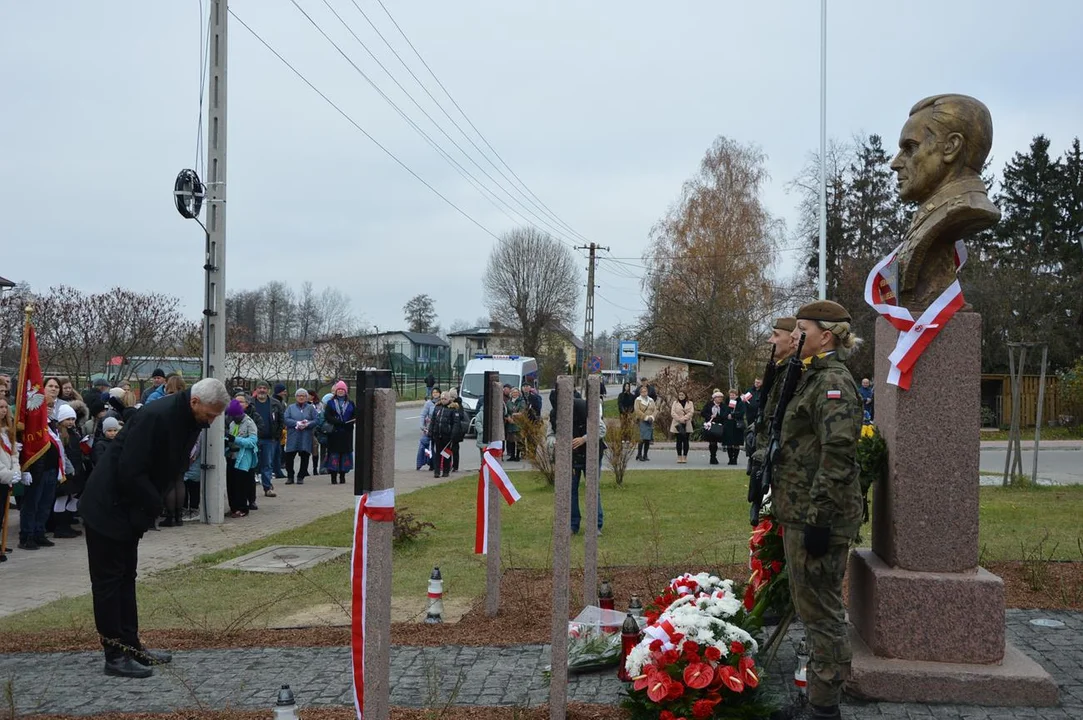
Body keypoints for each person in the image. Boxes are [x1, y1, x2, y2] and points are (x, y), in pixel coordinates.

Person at [79, 377, 229, 678]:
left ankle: (131, 646)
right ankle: (114, 654)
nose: (212, 422)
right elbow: (129, 471)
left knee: (126, 578)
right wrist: (155, 505)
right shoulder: (157, 416)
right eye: (210, 415)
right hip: (108, 507)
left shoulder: (188, 418)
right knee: (109, 583)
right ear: (195, 402)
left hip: (130, 510)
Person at [770, 300, 862, 720]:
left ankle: (825, 709)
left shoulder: (834, 383)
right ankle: (819, 700)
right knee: (810, 605)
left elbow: (838, 453)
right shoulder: (811, 376)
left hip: (818, 515)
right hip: (801, 510)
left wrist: (820, 518)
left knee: (822, 611)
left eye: (802, 328)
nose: (795, 335)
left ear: (826, 335)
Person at [751, 317, 798, 470]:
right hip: (765, 456)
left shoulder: (793, 373)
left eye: (776, 335)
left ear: (792, 340)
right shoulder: (779, 370)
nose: (770, 340)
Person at [52, 402, 84, 539]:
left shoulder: (74, 432)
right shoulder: (60, 434)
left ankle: (67, 523)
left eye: (72, 419)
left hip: (76, 468)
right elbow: (62, 453)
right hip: (65, 470)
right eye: (68, 419)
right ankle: (60, 527)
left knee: (74, 496)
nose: (71, 422)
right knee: (62, 497)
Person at [224, 398, 259, 517]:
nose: (234, 418)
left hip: (243, 457)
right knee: (231, 484)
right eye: (232, 416)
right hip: (231, 456)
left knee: (241, 484)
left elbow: (253, 441)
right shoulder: (232, 423)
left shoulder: (249, 423)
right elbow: (230, 438)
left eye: (236, 415)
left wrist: (236, 439)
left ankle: (242, 508)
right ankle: (233, 507)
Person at [250, 381, 282, 498]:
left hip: (269, 439)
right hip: (253, 439)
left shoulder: (275, 404)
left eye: (264, 388)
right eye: (260, 388)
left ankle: (267, 487)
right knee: (252, 463)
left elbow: (280, 421)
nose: (262, 390)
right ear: (256, 389)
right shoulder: (250, 403)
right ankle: (250, 488)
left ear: (268, 390)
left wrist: (276, 436)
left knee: (267, 464)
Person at [323, 380, 355, 485]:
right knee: (334, 454)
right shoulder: (331, 403)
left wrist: (349, 423)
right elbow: (327, 416)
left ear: (345, 391)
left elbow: (355, 415)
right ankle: (333, 476)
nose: (340, 391)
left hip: (346, 433)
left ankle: (342, 476)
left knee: (344, 454)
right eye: (339, 390)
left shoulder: (350, 403)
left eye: (342, 390)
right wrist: (338, 422)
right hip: (335, 433)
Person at [283, 388, 317, 484]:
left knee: (305, 456)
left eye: (303, 396)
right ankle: (290, 476)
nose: (301, 397)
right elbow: (286, 419)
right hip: (293, 435)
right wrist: (296, 423)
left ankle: (301, 476)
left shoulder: (311, 408)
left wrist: (307, 424)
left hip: (306, 436)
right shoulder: (290, 407)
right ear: (296, 397)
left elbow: (316, 420)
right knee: (289, 457)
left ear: (307, 397)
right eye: (299, 395)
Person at [0, 396, 19, 560]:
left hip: (5, 479)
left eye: (5, 407)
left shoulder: (7, 431)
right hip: (2, 476)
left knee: (2, 515)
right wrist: (7, 474)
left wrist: (15, 470)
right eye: (0, 407)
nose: (4, 410)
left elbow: (13, 453)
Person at [429, 391, 454, 478]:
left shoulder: (452, 409)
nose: (443, 400)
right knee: (437, 454)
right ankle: (437, 471)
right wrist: (430, 432)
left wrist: (453, 434)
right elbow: (433, 421)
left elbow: (455, 423)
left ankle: (446, 471)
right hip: (437, 434)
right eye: (442, 399)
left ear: (449, 399)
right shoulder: (437, 408)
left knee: (446, 454)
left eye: (445, 399)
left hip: (447, 436)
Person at [719, 389, 746, 466]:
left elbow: (741, 413)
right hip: (728, 425)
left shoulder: (741, 403)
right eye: (731, 395)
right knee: (729, 443)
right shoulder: (726, 404)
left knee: (736, 443)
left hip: (737, 425)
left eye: (733, 395)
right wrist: (728, 413)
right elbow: (723, 414)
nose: (732, 396)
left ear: (736, 395)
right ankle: (730, 458)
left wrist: (733, 415)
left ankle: (735, 459)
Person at [701, 390, 726, 465]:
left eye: (721, 397)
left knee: (716, 441)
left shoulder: (723, 406)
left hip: (719, 425)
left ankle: (714, 456)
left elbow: (725, 414)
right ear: (714, 398)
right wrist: (710, 416)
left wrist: (718, 416)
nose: (720, 399)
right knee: (712, 442)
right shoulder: (709, 405)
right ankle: (712, 457)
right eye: (718, 397)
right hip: (710, 425)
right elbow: (703, 413)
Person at [416, 387, 439, 471]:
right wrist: (422, 426)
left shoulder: (441, 403)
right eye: (433, 392)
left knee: (434, 448)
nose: (435, 394)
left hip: (437, 430)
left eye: (436, 392)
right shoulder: (429, 403)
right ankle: (420, 463)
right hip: (428, 429)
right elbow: (423, 415)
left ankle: (432, 464)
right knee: (424, 445)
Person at [669, 390, 695, 463]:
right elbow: (672, 413)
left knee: (686, 441)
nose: (681, 396)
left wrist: (684, 418)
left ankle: (685, 457)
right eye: (679, 395)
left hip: (687, 423)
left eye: (682, 395)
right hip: (678, 424)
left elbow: (691, 412)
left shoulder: (690, 403)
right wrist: (679, 419)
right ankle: (679, 456)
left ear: (685, 395)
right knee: (679, 441)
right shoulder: (675, 403)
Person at [633, 384, 656, 461]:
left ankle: (645, 455)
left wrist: (652, 417)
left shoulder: (651, 400)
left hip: (650, 421)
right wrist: (645, 417)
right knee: (642, 438)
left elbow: (655, 410)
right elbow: (637, 410)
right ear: (640, 392)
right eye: (642, 392)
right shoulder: (638, 400)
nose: (644, 393)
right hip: (642, 421)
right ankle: (639, 454)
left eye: (645, 391)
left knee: (647, 439)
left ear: (647, 392)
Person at [272, 384, 289, 479]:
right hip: (276, 430)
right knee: (275, 452)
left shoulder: (281, 402)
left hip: (280, 430)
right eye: (284, 391)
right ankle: (275, 471)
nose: (285, 393)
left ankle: (277, 470)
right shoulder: (276, 402)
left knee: (279, 451)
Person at [505, 387, 526, 462]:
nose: (515, 394)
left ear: (519, 393)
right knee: (511, 440)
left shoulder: (522, 401)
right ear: (511, 394)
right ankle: (512, 456)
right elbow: (506, 412)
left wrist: (514, 415)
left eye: (516, 392)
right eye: (513, 392)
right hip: (510, 423)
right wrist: (508, 418)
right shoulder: (508, 402)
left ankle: (518, 455)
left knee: (519, 440)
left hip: (518, 423)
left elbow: (522, 411)